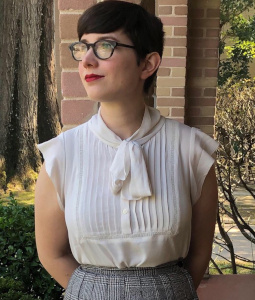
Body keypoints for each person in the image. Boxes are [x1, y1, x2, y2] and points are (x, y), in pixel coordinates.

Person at [35, 1, 218, 299]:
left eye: (106, 46)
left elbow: (199, 254)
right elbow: (51, 254)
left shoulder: (192, 150)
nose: (87, 61)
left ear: (147, 64)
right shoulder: (61, 155)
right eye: (83, 48)